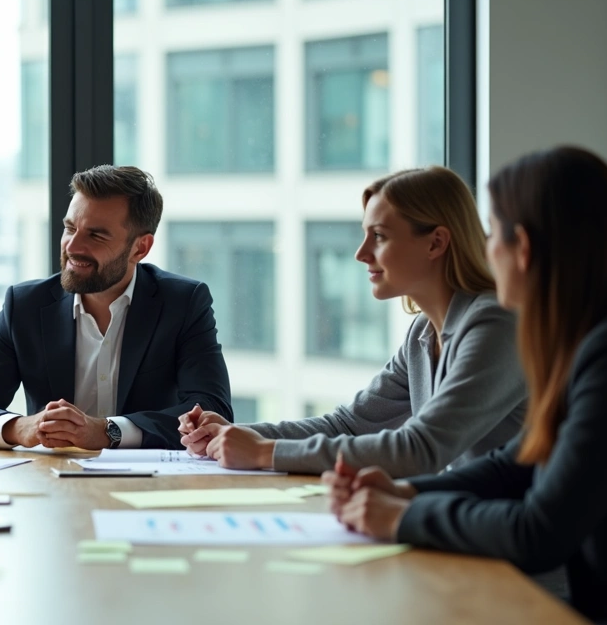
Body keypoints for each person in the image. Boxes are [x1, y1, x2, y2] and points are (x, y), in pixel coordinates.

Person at [326, 146, 607, 622]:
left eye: (493, 235)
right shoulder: (586, 341)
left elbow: (539, 531)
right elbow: (519, 464)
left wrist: (403, 517)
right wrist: (409, 494)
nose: (485, 250)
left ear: (522, 248)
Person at [179, 166, 526, 476]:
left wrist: (263, 452)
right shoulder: (423, 331)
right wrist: (234, 436)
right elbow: (351, 424)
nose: (361, 254)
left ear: (435, 242)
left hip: (515, 535)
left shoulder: (495, 325)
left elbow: (421, 450)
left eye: (379, 236)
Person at [0, 165, 232, 450]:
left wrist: (108, 431)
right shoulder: (25, 306)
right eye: (70, 228)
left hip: (150, 485)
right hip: (51, 483)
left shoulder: (183, 302)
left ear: (140, 248)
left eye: (96, 236)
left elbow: (211, 411)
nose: (73, 246)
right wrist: (20, 428)